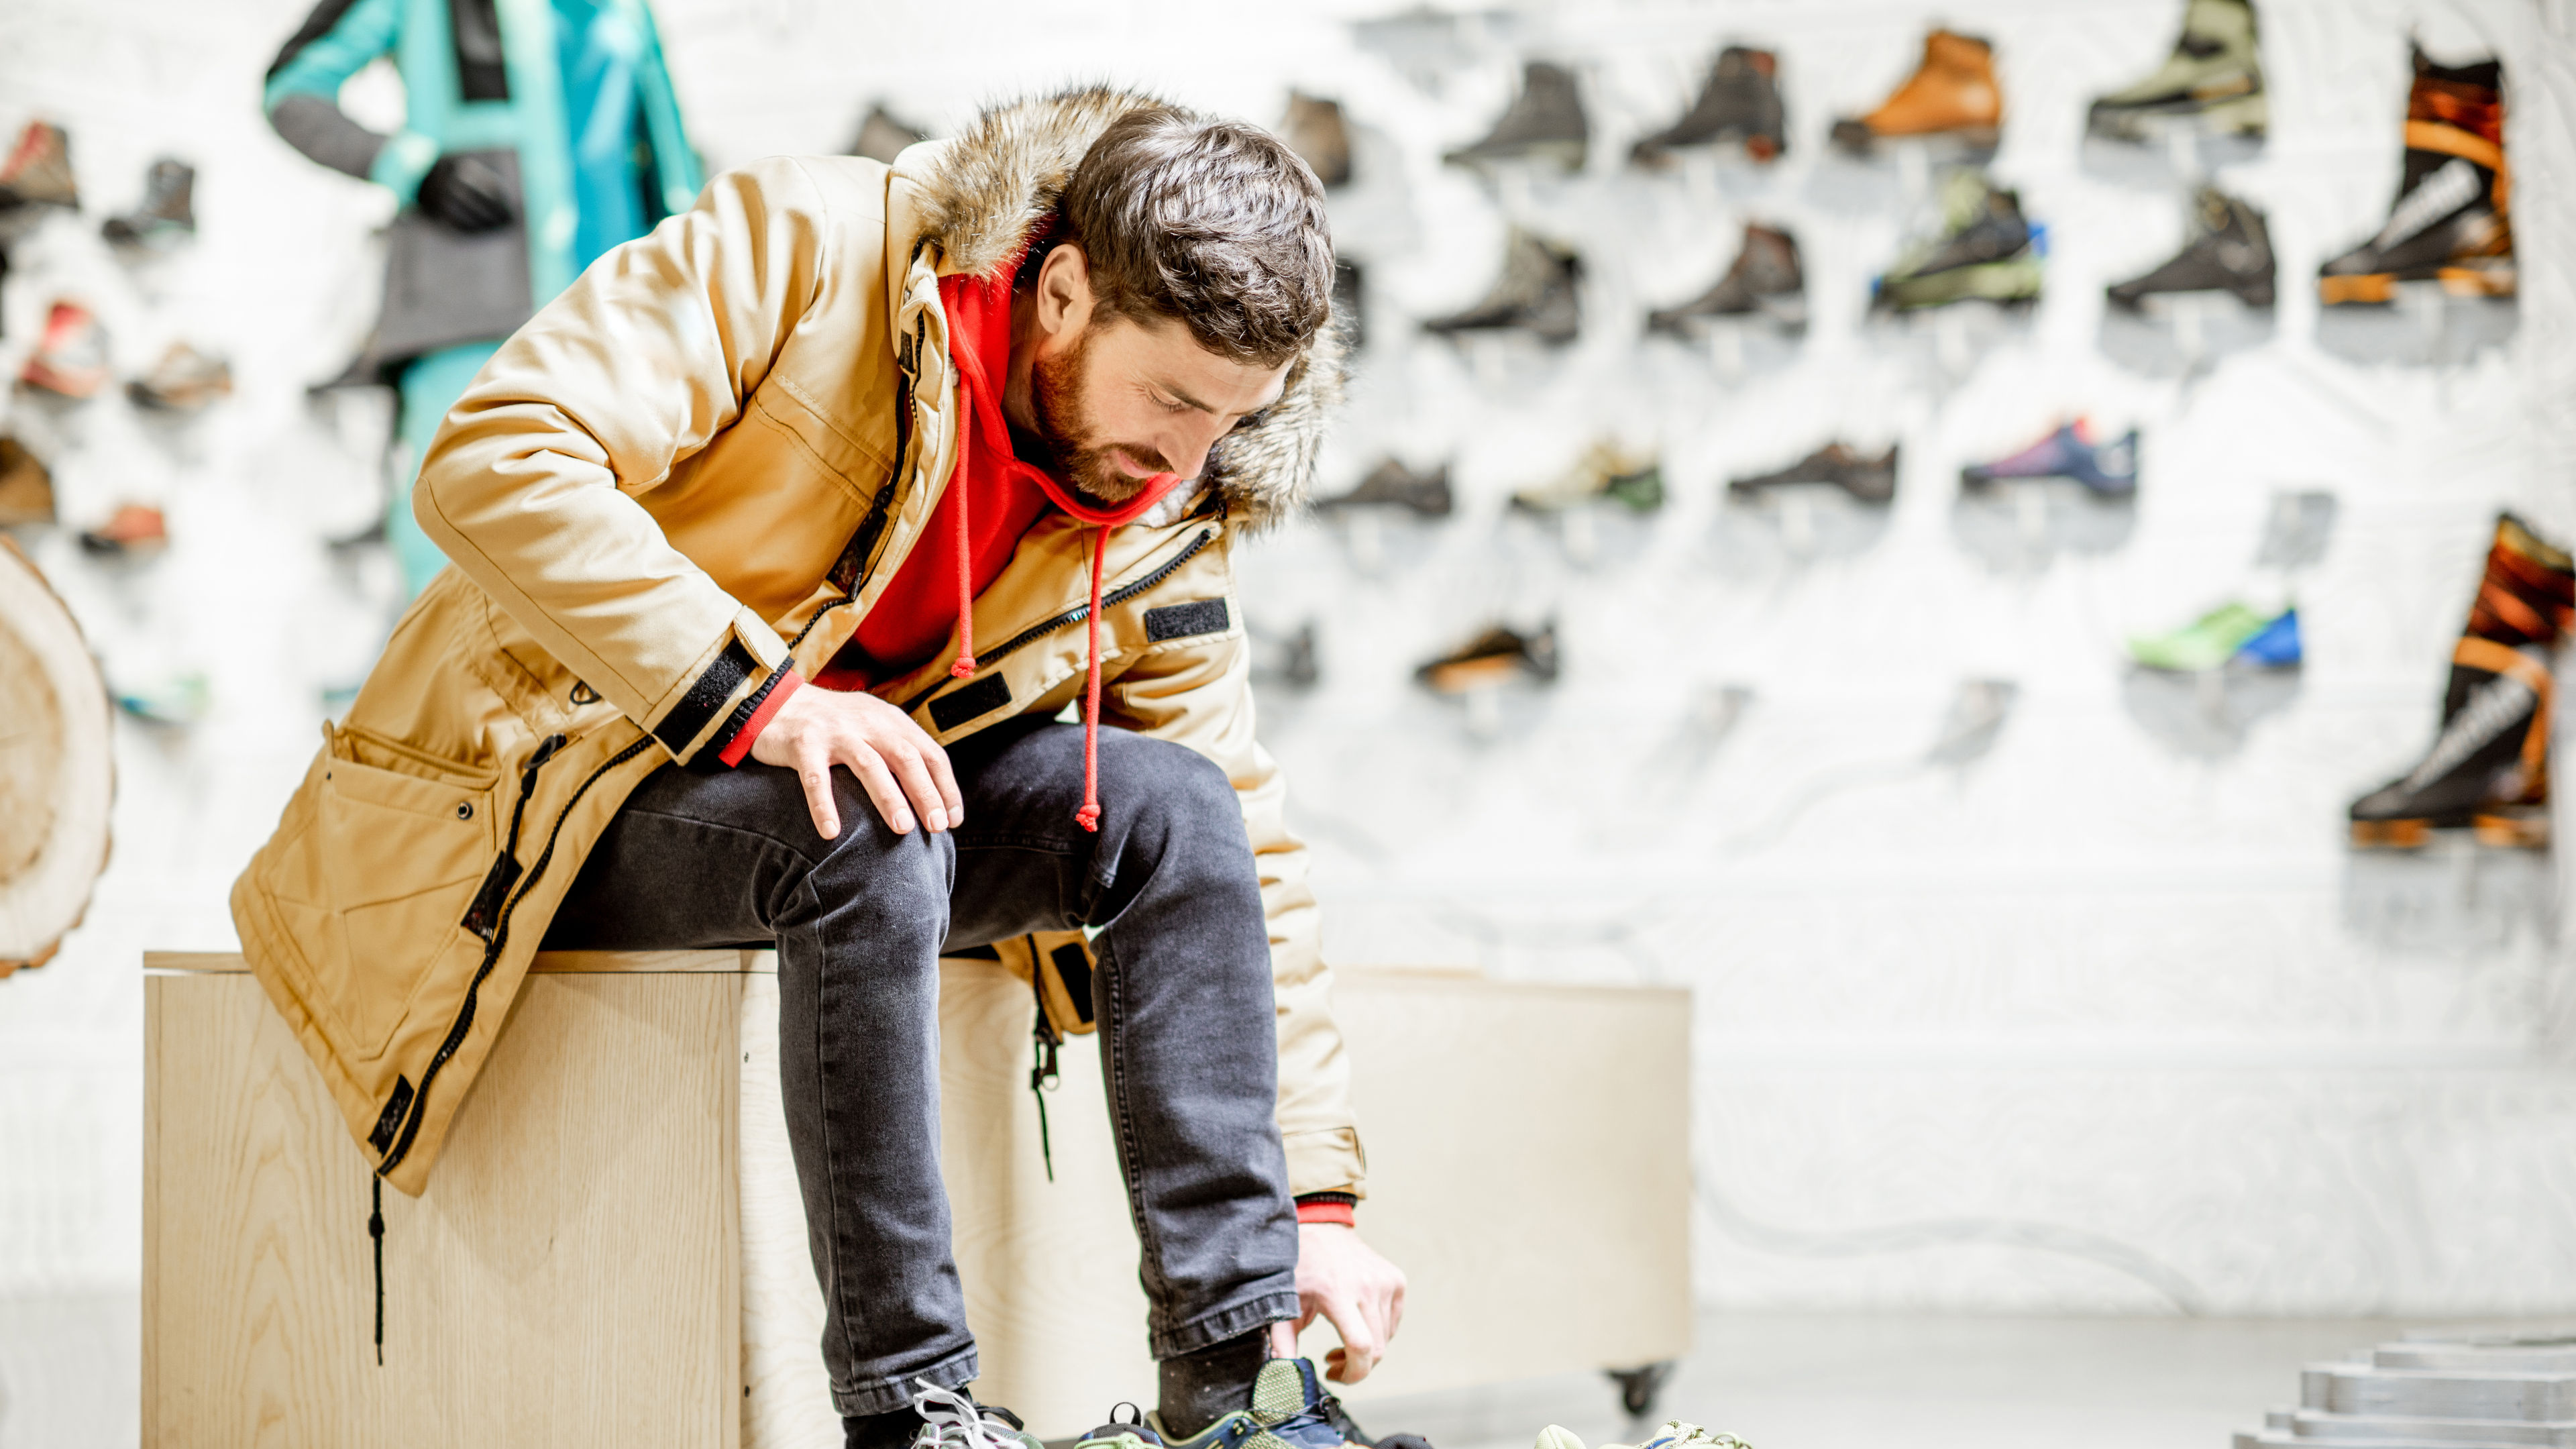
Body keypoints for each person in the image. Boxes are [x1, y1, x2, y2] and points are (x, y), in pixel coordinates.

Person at [229, 86, 1409, 1448]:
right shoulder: (811, 244)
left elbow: (1243, 837)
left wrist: (1315, 1207)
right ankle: (914, 1410)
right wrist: (766, 699)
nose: (1189, 461)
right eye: (1174, 400)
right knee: (863, 819)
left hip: (843, 825)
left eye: (1231, 419)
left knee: (1175, 809)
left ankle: (1238, 1384)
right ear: (1067, 289)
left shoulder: (1172, 491)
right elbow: (499, 461)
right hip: (544, 786)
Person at [264, 0, 701, 597]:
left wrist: (693, 293)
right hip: (471, 310)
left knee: (626, 555)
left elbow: (668, 152)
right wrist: (414, 168)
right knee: (455, 555)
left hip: (619, 324)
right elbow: (292, 90)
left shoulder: (628, 10)